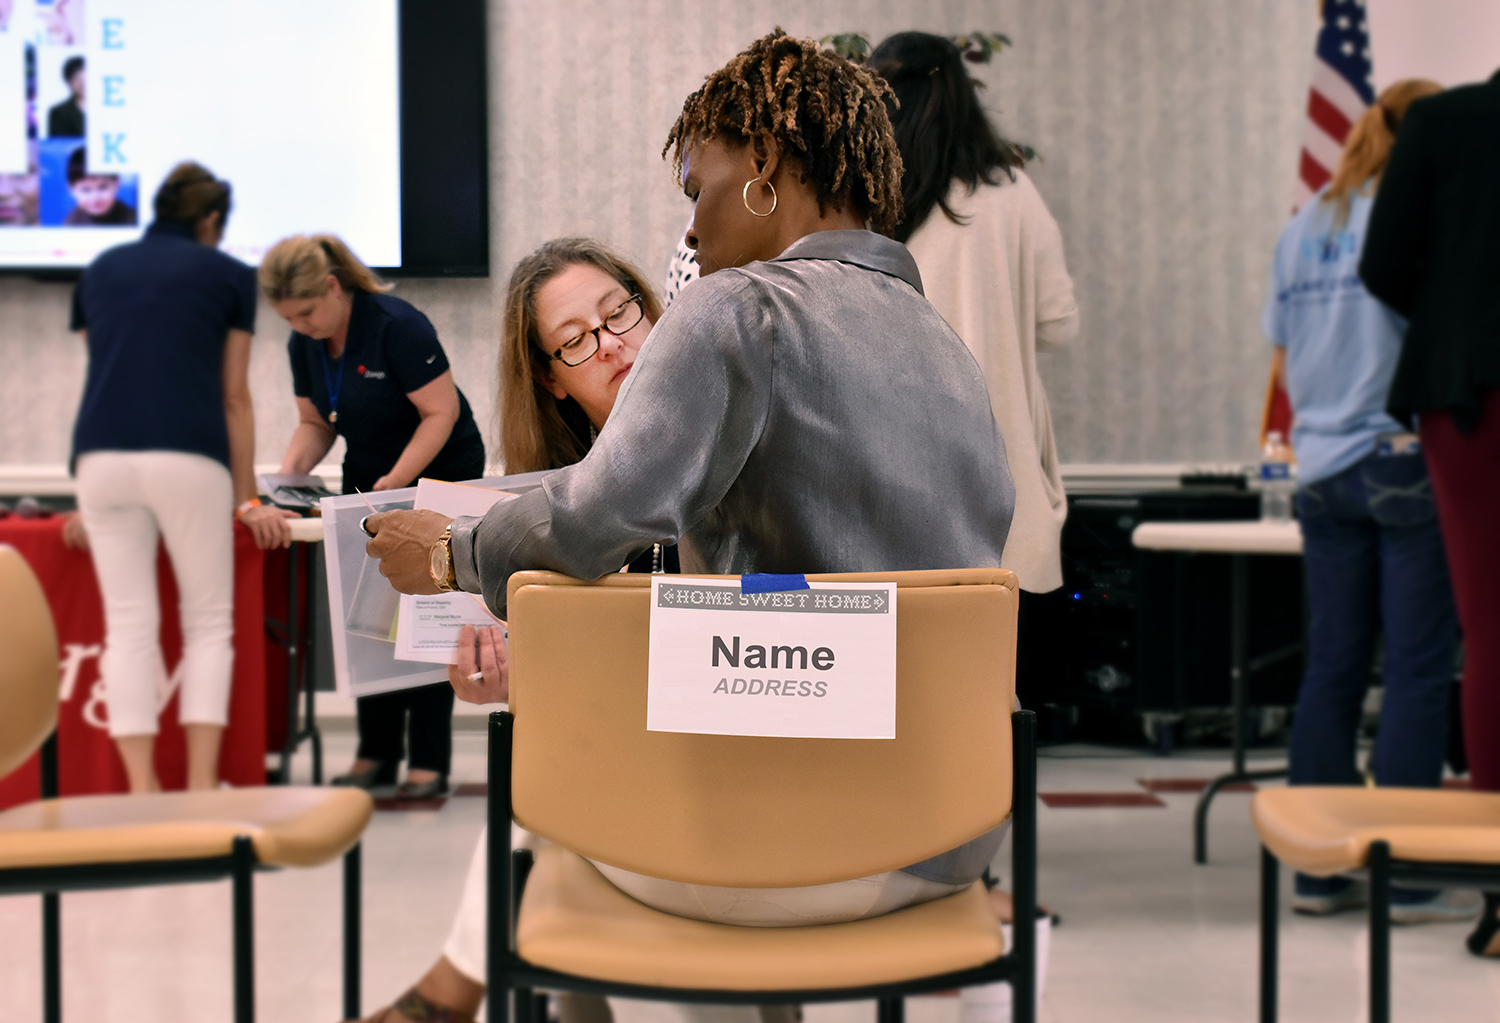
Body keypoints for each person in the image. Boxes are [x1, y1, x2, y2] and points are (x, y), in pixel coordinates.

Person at [367, 26, 1014, 930]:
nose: (689, 225)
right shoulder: (949, 352)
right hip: (948, 838)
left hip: (792, 843)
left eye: (697, 187)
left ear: (764, 165)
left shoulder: (740, 306)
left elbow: (596, 520)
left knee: (546, 824)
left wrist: (450, 550)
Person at [353, 236, 672, 1023]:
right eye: (575, 341)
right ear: (552, 380)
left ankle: (443, 997)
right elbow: (586, 682)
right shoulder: (547, 504)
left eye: (621, 313)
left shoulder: (711, 447)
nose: (613, 344)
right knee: (546, 788)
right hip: (623, 769)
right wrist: (504, 680)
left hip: (712, 761)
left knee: (547, 802)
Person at [1264, 78, 1473, 924]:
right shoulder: (1417, 218)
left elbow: (1282, 350)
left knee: (1334, 665)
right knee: (1419, 669)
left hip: (1318, 465)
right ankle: (1409, 871)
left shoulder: (1303, 225)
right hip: (1399, 456)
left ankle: (1318, 869)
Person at [70, 161, 296, 794]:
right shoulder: (227, 275)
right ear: (212, 220)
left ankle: (141, 789)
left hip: (100, 460)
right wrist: (247, 497)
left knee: (128, 625)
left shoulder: (100, 271)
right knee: (207, 625)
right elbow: (233, 397)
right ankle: (198, 787)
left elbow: (106, 372)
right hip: (186, 458)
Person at [261, 234, 486, 800]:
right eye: (290, 318)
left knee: (422, 620)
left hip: (438, 468)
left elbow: (441, 413)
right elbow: (317, 423)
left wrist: (398, 485)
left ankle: (427, 762)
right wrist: (289, 477)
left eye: (308, 312)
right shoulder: (304, 343)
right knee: (368, 619)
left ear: (333, 287)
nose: (303, 325)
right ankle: (376, 753)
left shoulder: (397, 326)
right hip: (368, 477)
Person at [1360, 67, 1500, 956]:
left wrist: (1460, 313)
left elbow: (1385, 262)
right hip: (1467, 383)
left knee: (1488, 629)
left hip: (1469, 390)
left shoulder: (1446, 123)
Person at [869, 31, 1078, 596]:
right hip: (1003, 501)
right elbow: (1060, 324)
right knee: (993, 681)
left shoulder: (858, 203)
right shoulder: (1010, 193)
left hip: (886, 498)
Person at [61, 146, 135, 225]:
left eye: (102, 187)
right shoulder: (71, 223)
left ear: (117, 183)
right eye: (86, 190)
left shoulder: (132, 218)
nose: (95, 197)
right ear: (72, 190)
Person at [48, 55, 84, 138]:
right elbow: (57, 147)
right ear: (69, 81)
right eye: (77, 79)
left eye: (86, 78)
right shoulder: (58, 112)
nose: (82, 83)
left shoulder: (107, 110)